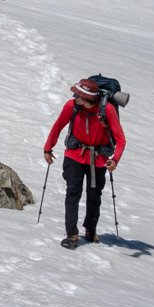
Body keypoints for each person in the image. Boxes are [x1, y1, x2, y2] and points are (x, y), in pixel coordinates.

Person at [43, 78, 125, 248]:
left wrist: (115, 160)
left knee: (94, 195)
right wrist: (48, 148)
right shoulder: (71, 106)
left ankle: (90, 229)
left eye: (78, 95)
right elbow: (58, 126)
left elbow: (121, 139)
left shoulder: (107, 110)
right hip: (74, 155)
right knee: (73, 191)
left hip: (98, 159)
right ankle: (71, 234)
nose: (75, 97)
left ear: (88, 99)